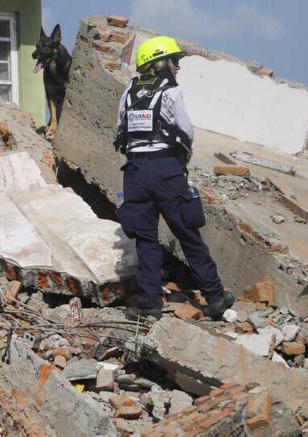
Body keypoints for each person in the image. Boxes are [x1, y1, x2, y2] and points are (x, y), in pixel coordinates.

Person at [115, 35, 234, 320]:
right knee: (187, 233)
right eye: (174, 61)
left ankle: (149, 307)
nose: (177, 68)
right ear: (159, 63)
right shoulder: (170, 92)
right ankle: (215, 298)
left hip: (135, 173)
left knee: (145, 240)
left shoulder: (128, 91)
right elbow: (186, 131)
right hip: (166, 170)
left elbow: (121, 129)